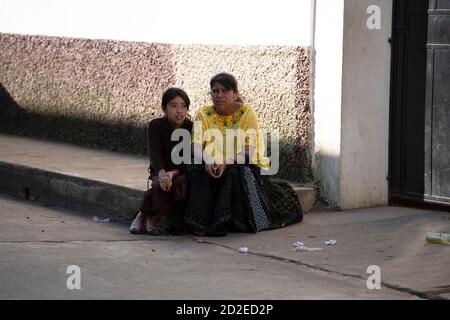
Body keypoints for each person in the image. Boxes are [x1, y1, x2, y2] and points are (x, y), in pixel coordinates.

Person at [185, 73, 303, 236]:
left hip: (242, 163)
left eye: (225, 91)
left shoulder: (247, 113)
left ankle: (228, 221)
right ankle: (199, 223)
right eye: (215, 91)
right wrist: (208, 161)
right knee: (193, 168)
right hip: (212, 163)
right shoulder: (203, 114)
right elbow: (196, 145)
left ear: (235, 94)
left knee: (235, 172)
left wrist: (226, 162)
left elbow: (249, 152)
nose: (219, 95)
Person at [129, 87, 193, 235]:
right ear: (164, 108)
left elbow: (191, 159)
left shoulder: (191, 127)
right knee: (161, 184)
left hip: (181, 171)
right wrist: (163, 173)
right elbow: (155, 154)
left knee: (178, 185)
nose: (179, 110)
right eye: (173, 106)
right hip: (161, 170)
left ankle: (149, 217)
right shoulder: (156, 125)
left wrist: (173, 173)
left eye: (183, 106)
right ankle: (144, 217)